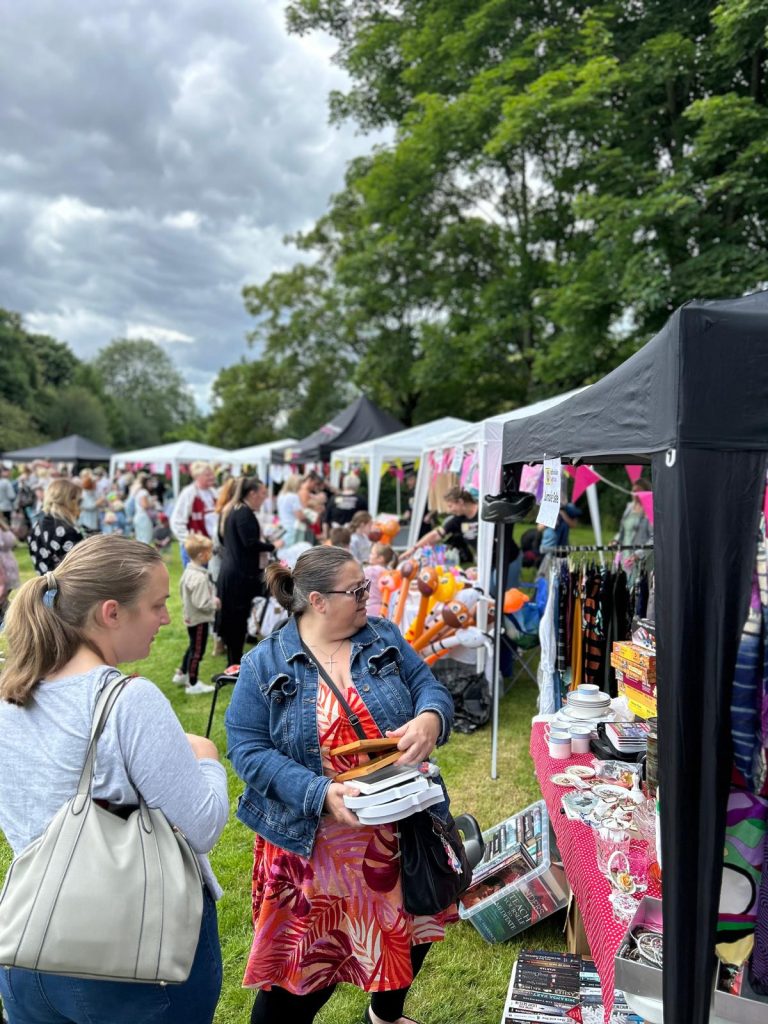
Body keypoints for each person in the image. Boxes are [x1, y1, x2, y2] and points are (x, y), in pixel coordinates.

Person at [0, 535, 229, 1024]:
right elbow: (205, 824)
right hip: (132, 956)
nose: (167, 618)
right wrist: (207, 757)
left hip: (30, 946)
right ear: (110, 613)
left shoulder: (9, 696)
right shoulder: (130, 700)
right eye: (157, 605)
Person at [225, 546, 456, 1024]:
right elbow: (246, 749)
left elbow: (427, 685)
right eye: (356, 591)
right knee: (301, 977)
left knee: (408, 933)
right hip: (312, 848)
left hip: (396, 833)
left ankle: (385, 1016)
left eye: (365, 587)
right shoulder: (264, 665)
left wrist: (431, 718)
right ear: (317, 600)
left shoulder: (383, 637)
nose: (366, 598)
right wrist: (319, 794)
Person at [216, 476, 281, 667]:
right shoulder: (243, 513)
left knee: (237, 622)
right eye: (262, 494)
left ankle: (235, 661)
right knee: (236, 622)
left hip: (235, 570)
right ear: (251, 493)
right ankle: (234, 664)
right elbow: (250, 543)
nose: (264, 498)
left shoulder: (235, 510)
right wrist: (272, 546)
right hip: (239, 575)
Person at [176, 533, 218, 695]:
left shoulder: (189, 571)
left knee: (192, 646)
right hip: (199, 619)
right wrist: (214, 603)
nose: (211, 554)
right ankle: (192, 683)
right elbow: (202, 604)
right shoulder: (200, 578)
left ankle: (182, 673)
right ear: (201, 555)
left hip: (190, 616)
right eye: (209, 552)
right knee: (197, 652)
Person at [400, 486, 479, 565]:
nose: (449, 510)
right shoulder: (459, 519)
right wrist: (413, 549)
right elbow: (436, 534)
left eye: (450, 506)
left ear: (460, 502)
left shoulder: (484, 512)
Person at [27, 478, 84, 575]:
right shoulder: (68, 530)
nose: (80, 506)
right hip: (67, 587)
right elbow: (79, 567)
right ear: (69, 501)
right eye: (79, 501)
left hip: (44, 585)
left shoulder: (37, 524)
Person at [171, 462, 218, 567]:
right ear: (197, 476)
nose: (212, 477)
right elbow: (176, 521)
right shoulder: (188, 493)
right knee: (196, 579)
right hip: (196, 548)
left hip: (212, 546)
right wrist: (189, 540)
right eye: (208, 475)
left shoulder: (214, 493)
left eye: (212, 474)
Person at [613, 478, 653, 570]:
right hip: (624, 557)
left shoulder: (650, 509)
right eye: (633, 490)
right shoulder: (629, 507)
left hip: (641, 560)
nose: (634, 492)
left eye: (638, 490)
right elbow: (623, 531)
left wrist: (638, 555)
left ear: (646, 492)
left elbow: (654, 538)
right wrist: (615, 541)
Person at [364, 541, 396, 616]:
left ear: (380, 559)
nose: (370, 556)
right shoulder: (389, 572)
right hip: (384, 608)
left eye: (372, 554)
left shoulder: (371, 571)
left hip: (370, 607)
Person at [0, 512, 20, 626]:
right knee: (3, 598)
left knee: (4, 597)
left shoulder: (3, 526)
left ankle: (8, 621)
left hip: (6, 568)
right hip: (5, 568)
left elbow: (11, 541)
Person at [130, 471, 155, 545]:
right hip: (143, 517)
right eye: (150, 482)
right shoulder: (144, 492)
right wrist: (153, 504)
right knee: (145, 538)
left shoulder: (139, 491)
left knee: (140, 538)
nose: (151, 484)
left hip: (139, 516)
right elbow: (144, 505)